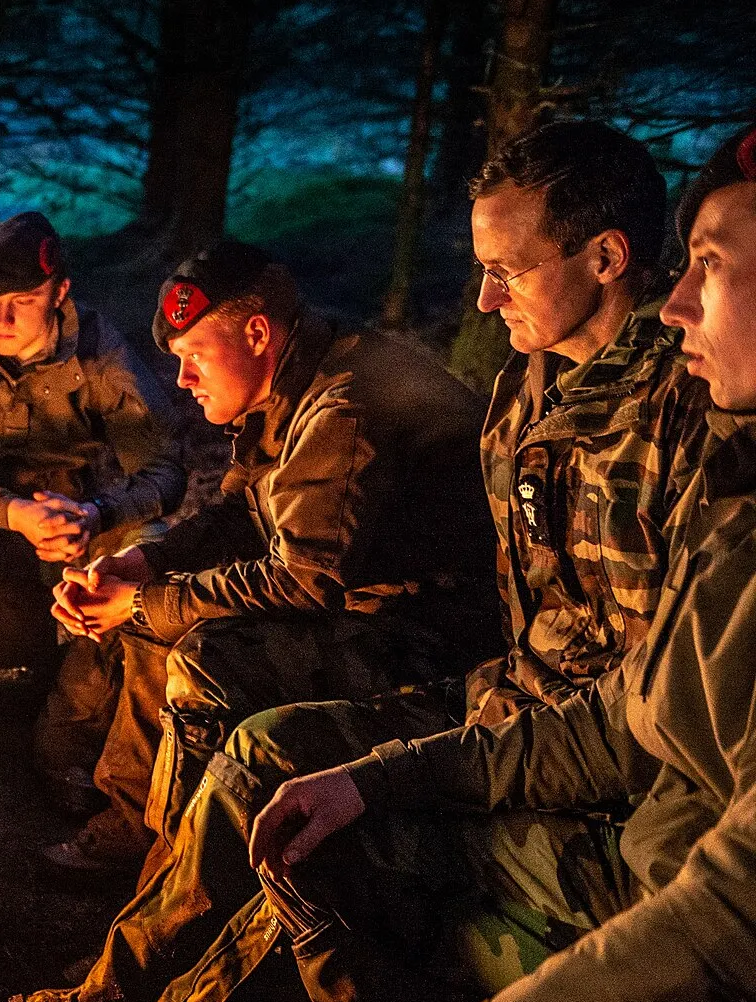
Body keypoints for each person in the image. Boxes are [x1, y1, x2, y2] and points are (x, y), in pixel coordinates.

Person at [0, 119, 716, 1002]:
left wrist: (161, 604)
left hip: (551, 740)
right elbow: (242, 517)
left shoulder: (685, 413)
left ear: (604, 259)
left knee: (310, 820)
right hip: (503, 696)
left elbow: (642, 698)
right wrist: (147, 573)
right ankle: (113, 994)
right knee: (265, 757)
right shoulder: (526, 386)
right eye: (480, 270)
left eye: (506, 271)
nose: (484, 300)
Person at [227, 121, 756, 1002]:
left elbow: (731, 909)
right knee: (314, 820)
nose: (679, 301)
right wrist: (380, 777)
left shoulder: (690, 439)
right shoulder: (727, 484)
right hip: (612, 833)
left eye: (715, 264)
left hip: (686, 948)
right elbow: (626, 719)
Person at [46, 241, 496, 871]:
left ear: (257, 333)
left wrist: (149, 600)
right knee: (157, 607)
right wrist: (147, 565)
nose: (182, 379)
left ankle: (180, 877)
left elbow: (308, 580)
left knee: (203, 652)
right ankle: (135, 822)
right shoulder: (290, 387)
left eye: (195, 355)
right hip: (362, 600)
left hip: (430, 635)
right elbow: (242, 517)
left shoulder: (343, 406)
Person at [0, 210, 186, 805]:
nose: (1, 317)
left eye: (23, 300)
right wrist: (10, 513)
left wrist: (97, 516)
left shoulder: (99, 350)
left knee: (128, 556)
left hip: (76, 515)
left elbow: (164, 467)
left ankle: (69, 752)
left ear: (59, 293)